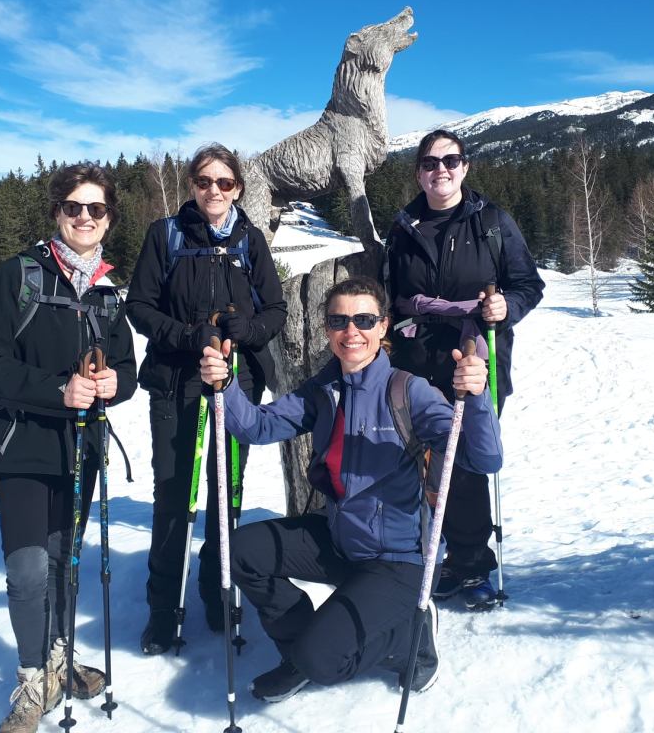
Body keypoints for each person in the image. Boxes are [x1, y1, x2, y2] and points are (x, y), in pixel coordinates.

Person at [198, 276, 502, 702]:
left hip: (399, 562)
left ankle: (407, 642)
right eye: (339, 320)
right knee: (241, 549)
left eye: (363, 319)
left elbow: (482, 459)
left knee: (325, 661)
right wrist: (225, 384)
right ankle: (301, 649)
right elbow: (256, 427)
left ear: (383, 327)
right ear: (326, 329)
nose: (351, 331)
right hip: (341, 543)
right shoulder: (324, 390)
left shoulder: (407, 391)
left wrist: (478, 396)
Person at [0, 163, 138, 733]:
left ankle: (60, 656)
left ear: (109, 218)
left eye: (95, 209)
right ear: (56, 212)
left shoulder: (109, 292)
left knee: (67, 558)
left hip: (80, 446)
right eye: (73, 207)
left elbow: (127, 367)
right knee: (29, 567)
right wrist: (55, 390)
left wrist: (118, 384)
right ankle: (31, 677)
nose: (84, 217)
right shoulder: (18, 275)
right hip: (22, 442)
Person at [126, 143, 287, 655]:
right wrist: (186, 335)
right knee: (174, 496)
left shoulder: (250, 238)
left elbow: (276, 308)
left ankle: (219, 593)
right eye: (203, 181)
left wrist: (251, 327)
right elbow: (140, 307)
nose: (213, 191)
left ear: (237, 188)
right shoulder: (166, 235)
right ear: (192, 185)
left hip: (236, 383)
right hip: (177, 384)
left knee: (227, 491)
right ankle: (162, 608)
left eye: (224, 182)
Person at [384, 129, 544, 611]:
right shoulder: (404, 224)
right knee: (416, 459)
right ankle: (415, 556)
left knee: (468, 461)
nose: (441, 171)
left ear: (465, 167)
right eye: (431, 163)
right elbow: (391, 289)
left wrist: (505, 308)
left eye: (450, 161)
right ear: (418, 172)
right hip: (414, 357)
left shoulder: (491, 221)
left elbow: (527, 284)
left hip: (474, 354)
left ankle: (471, 560)